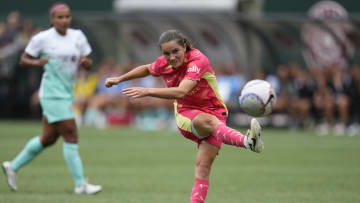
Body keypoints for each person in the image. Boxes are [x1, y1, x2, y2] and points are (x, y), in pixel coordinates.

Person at [105, 30, 263, 203]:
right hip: (186, 113)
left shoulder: (198, 60)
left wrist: (148, 91)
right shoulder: (162, 63)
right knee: (209, 122)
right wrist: (119, 79)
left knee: (203, 168)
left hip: (216, 111)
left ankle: (248, 143)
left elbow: (182, 90)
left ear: (185, 47)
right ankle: (249, 142)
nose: (171, 57)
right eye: (166, 53)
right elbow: (146, 69)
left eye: (175, 52)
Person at [1, 3, 102, 195]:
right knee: (71, 132)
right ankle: (81, 184)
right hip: (50, 93)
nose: (64, 20)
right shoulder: (42, 38)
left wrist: (86, 63)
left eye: (67, 17)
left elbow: (87, 62)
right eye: (60, 17)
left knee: (47, 139)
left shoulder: (78, 36)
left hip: (66, 92)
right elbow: (23, 60)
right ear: (52, 20)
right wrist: (37, 62)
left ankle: (12, 166)